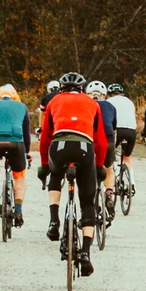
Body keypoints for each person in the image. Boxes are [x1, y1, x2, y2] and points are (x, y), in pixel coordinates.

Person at [39, 71, 107, 275]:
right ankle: (85, 253)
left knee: (55, 176)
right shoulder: (92, 103)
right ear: (82, 88)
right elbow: (101, 141)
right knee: (87, 202)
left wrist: (44, 165)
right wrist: (100, 166)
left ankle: (54, 220)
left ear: (61, 88)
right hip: (85, 148)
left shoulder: (54, 101)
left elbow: (44, 139)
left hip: (59, 146)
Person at [0, 82, 29, 225]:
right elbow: (26, 133)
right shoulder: (22, 107)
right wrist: (27, 152)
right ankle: (19, 210)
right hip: (16, 143)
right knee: (19, 175)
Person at [104, 82, 141, 190]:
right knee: (127, 157)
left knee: (110, 155)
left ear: (109, 94)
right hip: (131, 130)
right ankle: (132, 182)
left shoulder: (108, 102)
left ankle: (114, 175)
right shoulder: (129, 102)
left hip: (117, 130)